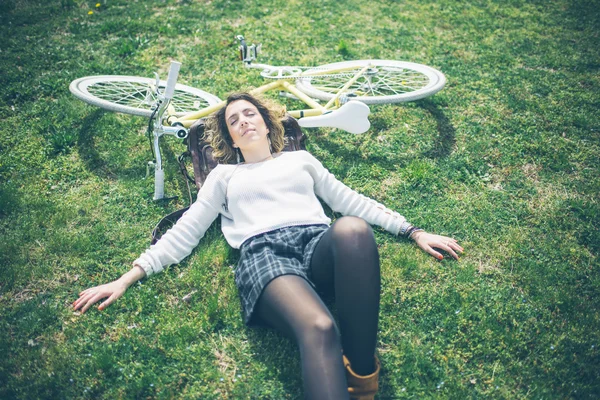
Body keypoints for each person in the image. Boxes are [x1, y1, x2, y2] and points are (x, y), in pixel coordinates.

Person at [74, 93, 463, 400]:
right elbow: (186, 231)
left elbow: (352, 201)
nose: (243, 122)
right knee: (320, 327)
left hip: (316, 243)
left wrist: (413, 231)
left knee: (354, 229)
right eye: (233, 121)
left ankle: (362, 376)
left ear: (265, 121)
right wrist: (125, 279)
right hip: (266, 257)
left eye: (249, 114)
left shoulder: (302, 161)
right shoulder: (224, 176)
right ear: (228, 137)